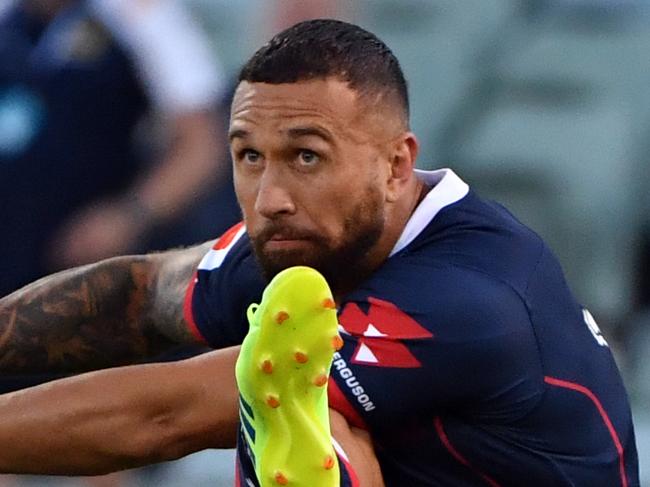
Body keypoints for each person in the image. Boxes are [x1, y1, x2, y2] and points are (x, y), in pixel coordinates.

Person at [0, 18, 640, 486]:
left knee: (301, 418)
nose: (272, 195)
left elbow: (166, 417)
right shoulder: (310, 238)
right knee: (298, 417)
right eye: (250, 156)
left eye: (307, 156)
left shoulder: (472, 298)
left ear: (396, 166)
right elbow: (140, 296)